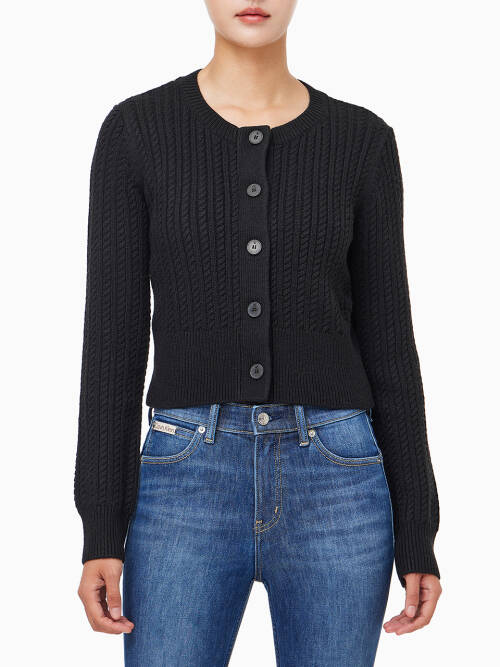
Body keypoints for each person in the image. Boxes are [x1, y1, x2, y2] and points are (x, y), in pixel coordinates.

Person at [74, 1, 442, 664]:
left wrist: (418, 530)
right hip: (184, 477)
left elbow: (390, 342)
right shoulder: (137, 131)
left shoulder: (361, 141)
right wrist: (100, 526)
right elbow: (112, 344)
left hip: (337, 478)